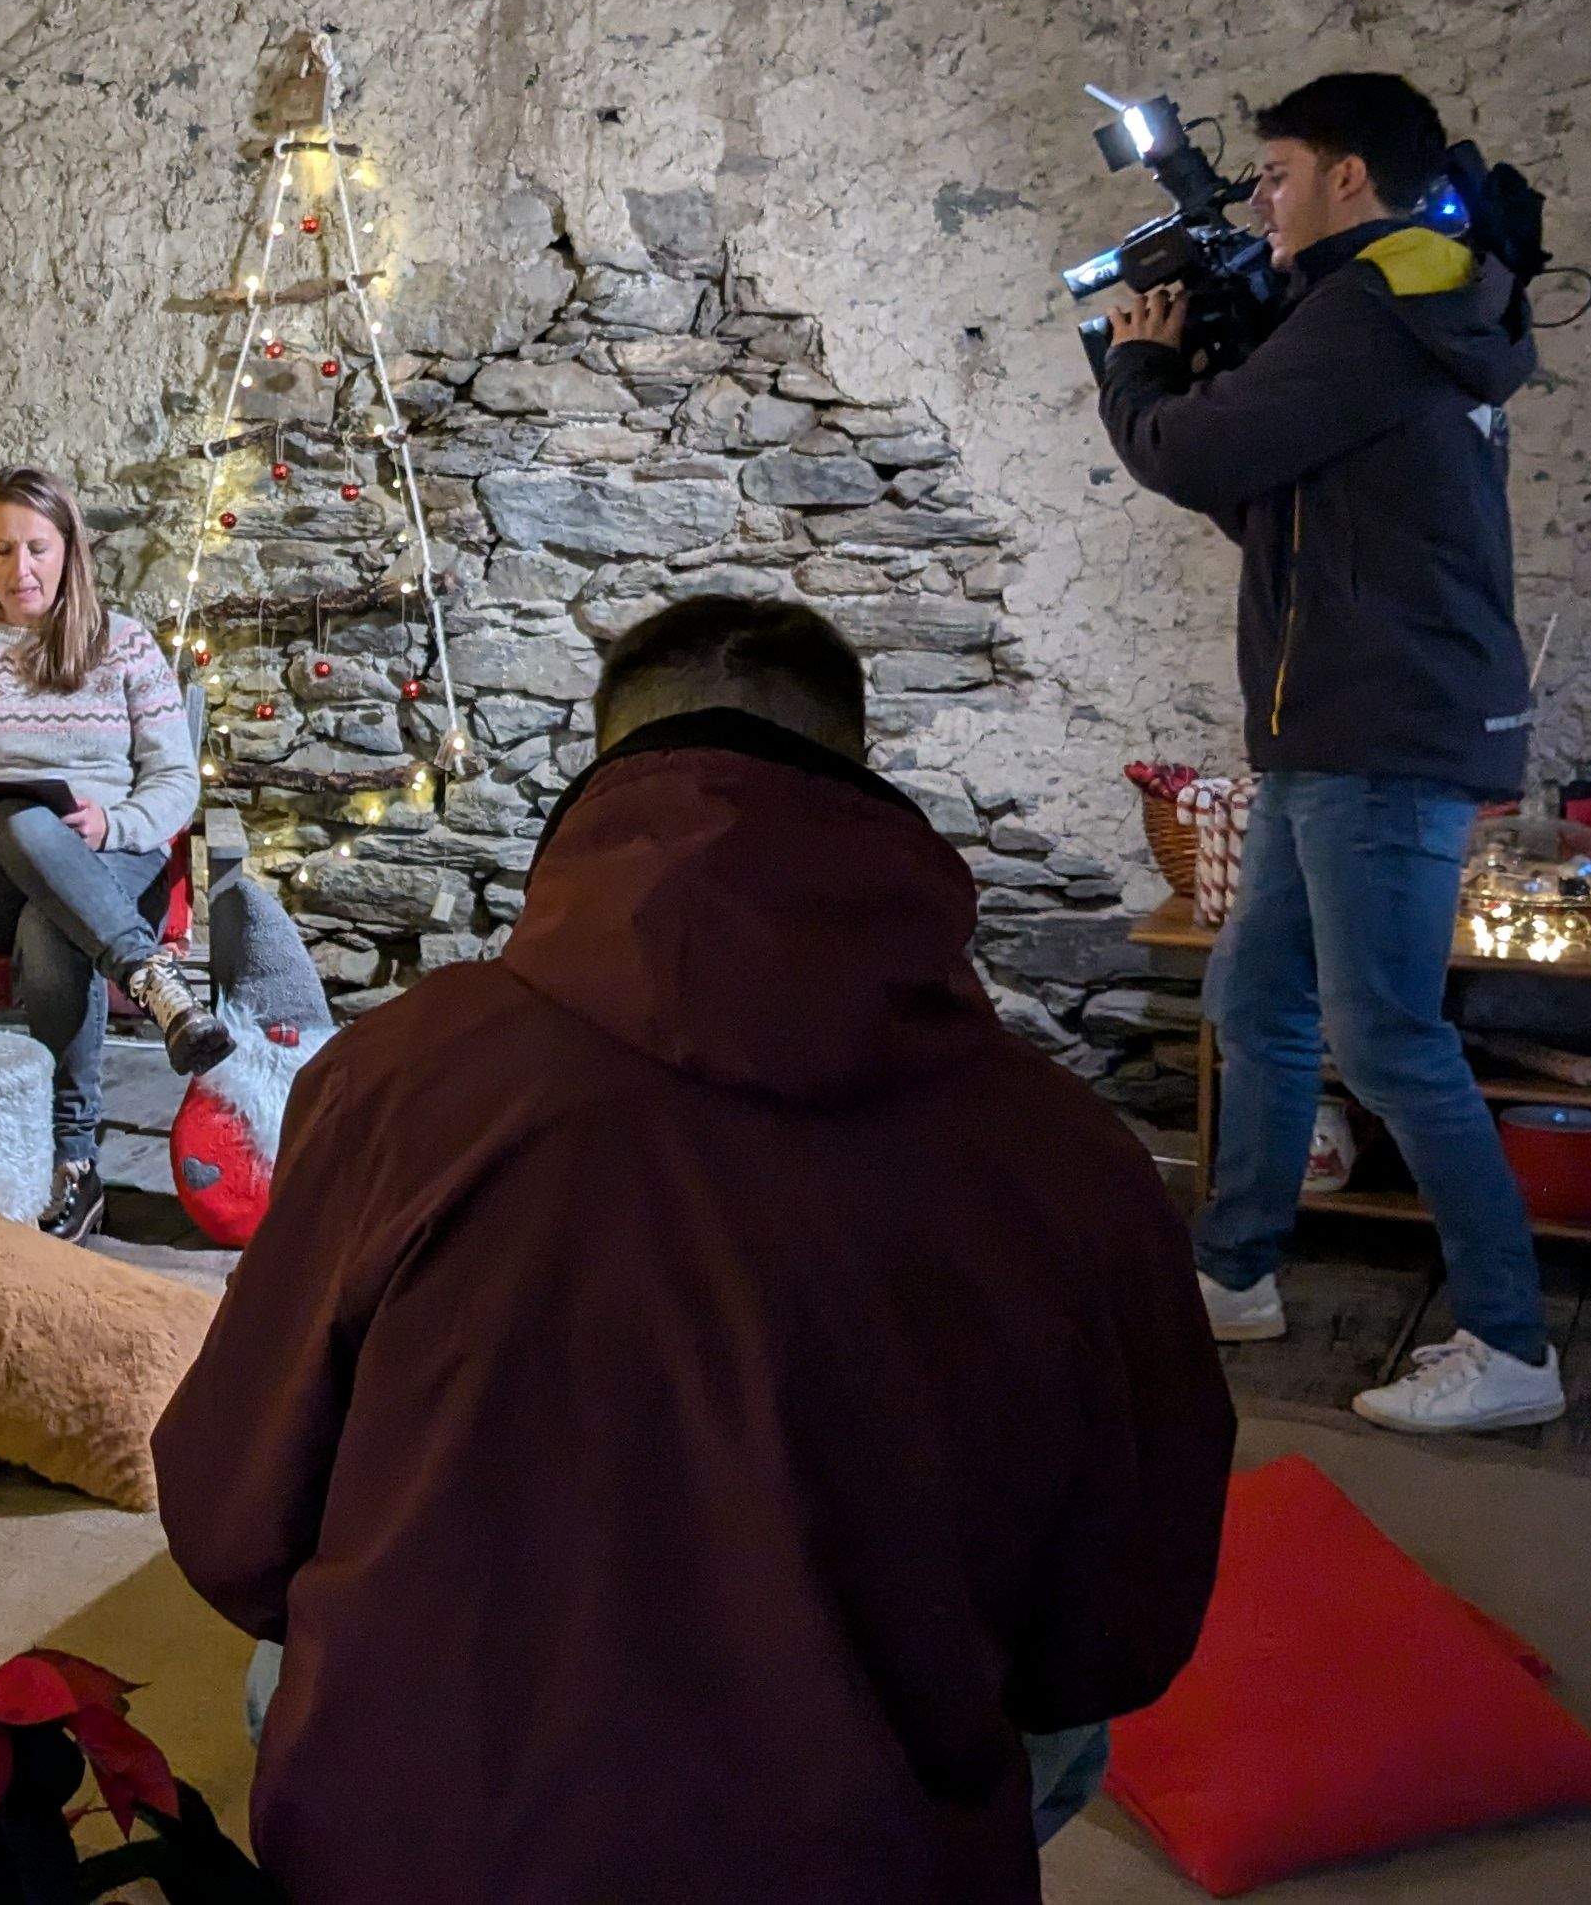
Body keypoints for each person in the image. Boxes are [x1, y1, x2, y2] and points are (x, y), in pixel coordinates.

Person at [156, 596, 1233, 1902]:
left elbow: (230, 1525)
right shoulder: (1073, 1162)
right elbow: (1115, 1634)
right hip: (857, 1855)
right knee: (1061, 1740)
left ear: (607, 779)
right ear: (855, 780)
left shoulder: (396, 1081)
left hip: (439, 1849)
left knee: (296, 1667)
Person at [1097, 71, 1563, 1434]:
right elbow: (1277, 510)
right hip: (1336, 723)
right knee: (1258, 1005)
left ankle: (1512, 1344)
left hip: (1382, 727)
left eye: (1283, 173)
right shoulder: (1394, 312)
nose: (1265, 203)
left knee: (1390, 1039)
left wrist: (1135, 365)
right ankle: (1236, 1270)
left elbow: (1192, 454)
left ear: (1350, 177)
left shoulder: (1375, 316)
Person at [0, 466, 238, 1243]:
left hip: (106, 862)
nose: (21, 569)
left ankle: (71, 1162)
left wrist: (111, 825)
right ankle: (151, 977)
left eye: (37, 549)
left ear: (69, 551)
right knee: (18, 819)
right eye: (2, 550)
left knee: (54, 924)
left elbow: (177, 780)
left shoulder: (125, 644)